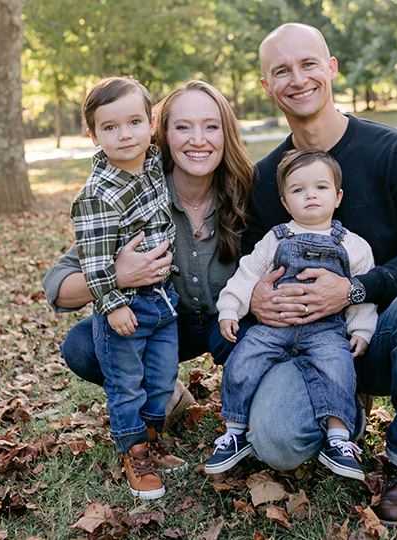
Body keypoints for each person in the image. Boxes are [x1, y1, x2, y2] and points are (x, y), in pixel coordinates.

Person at [239, 23, 397, 526]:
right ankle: (345, 408)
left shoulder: (395, 152)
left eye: (308, 64)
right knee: (276, 443)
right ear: (267, 86)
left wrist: (354, 289)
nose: (297, 79)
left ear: (332, 68)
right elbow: (253, 263)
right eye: (282, 71)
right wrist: (254, 297)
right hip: (302, 343)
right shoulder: (265, 179)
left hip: (379, 335)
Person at [42, 78, 255, 468]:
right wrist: (118, 276)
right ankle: (164, 404)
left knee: (259, 338)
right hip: (161, 319)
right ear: (163, 133)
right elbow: (57, 286)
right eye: (183, 127)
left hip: (229, 325)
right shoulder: (138, 195)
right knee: (82, 345)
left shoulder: (246, 192)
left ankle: (257, 409)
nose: (198, 140)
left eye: (211, 126)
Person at [205, 149, 377, 482]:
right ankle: (235, 431)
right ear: (285, 203)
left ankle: (339, 439)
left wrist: (362, 329)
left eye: (321, 188)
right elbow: (248, 274)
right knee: (244, 358)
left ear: (338, 197)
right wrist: (230, 307)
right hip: (274, 325)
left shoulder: (353, 246)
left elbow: (361, 290)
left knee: (338, 368)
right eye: (298, 190)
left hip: (326, 330)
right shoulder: (276, 238)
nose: (310, 195)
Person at [70, 76, 182, 500]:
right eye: (110, 127)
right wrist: (112, 304)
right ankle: (134, 451)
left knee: (161, 377)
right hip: (125, 306)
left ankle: (151, 441)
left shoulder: (150, 162)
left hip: (162, 300)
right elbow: (95, 261)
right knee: (126, 382)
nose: (125, 135)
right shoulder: (98, 194)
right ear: (93, 135)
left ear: (151, 124)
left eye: (135, 121)